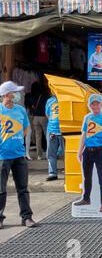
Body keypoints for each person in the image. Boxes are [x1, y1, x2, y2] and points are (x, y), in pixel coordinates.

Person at [0, 81, 37, 229]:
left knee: (23, 188)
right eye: (14, 92)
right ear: (6, 95)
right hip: (2, 156)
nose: (17, 95)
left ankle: (27, 217)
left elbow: (27, 128)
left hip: (19, 155)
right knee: (1, 189)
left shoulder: (21, 110)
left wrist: (18, 138)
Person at [45, 94, 63, 181]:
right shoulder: (49, 100)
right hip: (51, 130)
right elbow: (47, 114)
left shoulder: (66, 98)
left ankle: (68, 171)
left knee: (65, 153)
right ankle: (52, 173)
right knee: (51, 153)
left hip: (64, 130)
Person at [30, 82, 50, 160]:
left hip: (35, 118)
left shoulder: (33, 96)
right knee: (47, 136)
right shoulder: (46, 97)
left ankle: (39, 155)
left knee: (38, 137)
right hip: (43, 117)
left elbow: (32, 106)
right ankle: (48, 153)